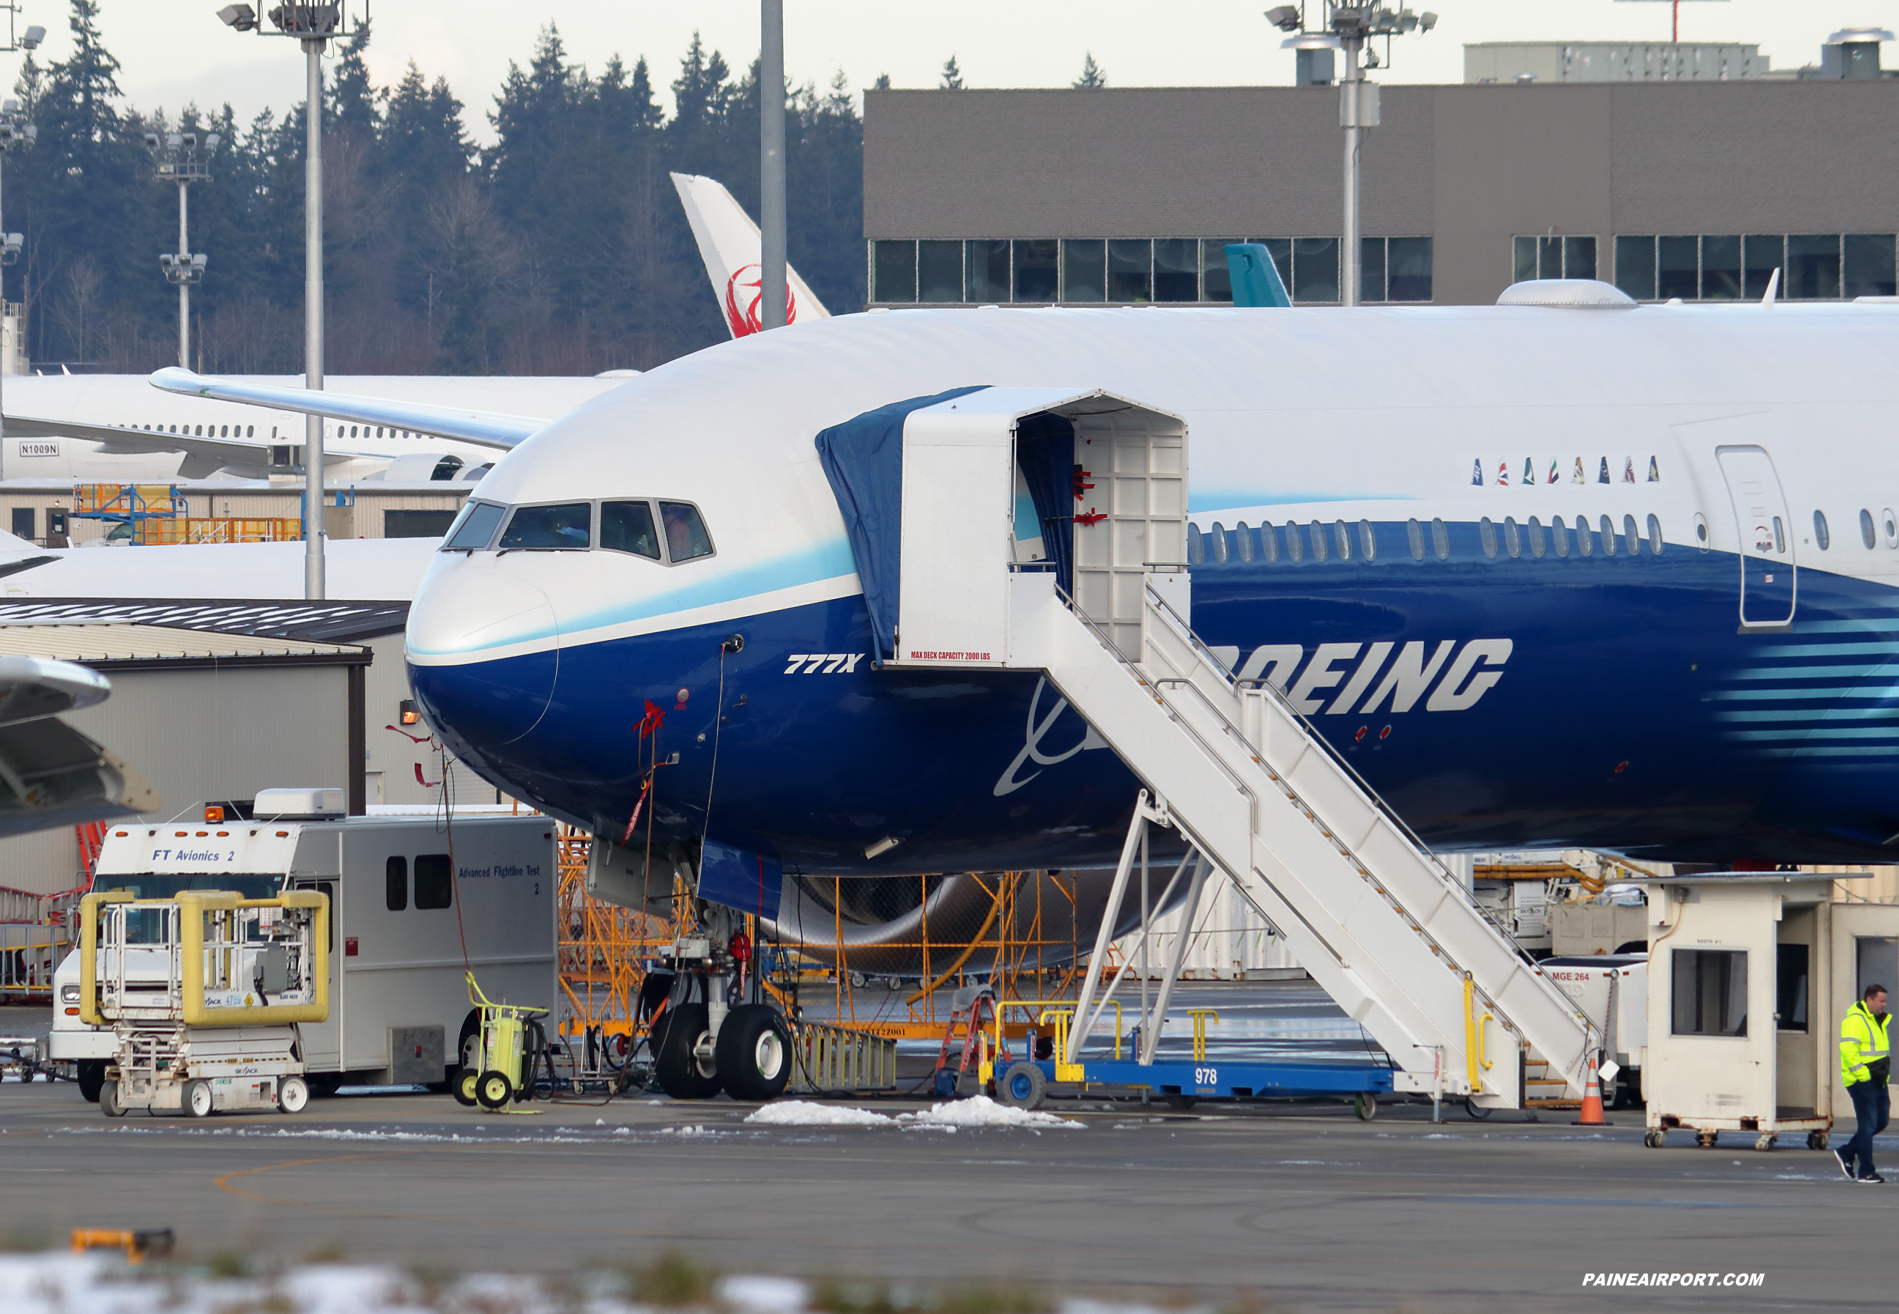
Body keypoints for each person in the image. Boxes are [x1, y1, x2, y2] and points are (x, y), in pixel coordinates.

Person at [1839, 983, 1892, 1183]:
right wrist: (1862, 1075)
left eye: (1885, 1001)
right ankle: (1866, 1171)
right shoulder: (1855, 1020)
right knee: (1868, 1124)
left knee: (1880, 1121)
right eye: (1881, 1001)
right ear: (1868, 1000)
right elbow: (1848, 1051)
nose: (1884, 1005)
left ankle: (1847, 1152)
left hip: (1878, 1080)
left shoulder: (1878, 1020)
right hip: (1862, 1081)